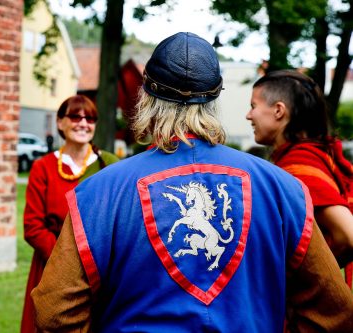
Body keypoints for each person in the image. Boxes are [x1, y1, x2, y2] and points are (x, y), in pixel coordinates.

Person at [31, 32, 353, 332]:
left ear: (146, 98)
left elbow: (55, 310)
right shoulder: (284, 189)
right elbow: (334, 309)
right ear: (214, 101)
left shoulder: (99, 191)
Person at [20, 95, 119, 333]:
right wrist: (66, 262)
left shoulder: (109, 165)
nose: (83, 123)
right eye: (75, 116)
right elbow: (32, 226)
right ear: (60, 122)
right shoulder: (43, 167)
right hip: (51, 265)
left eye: (90, 118)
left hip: (98, 270)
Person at [246, 69, 353, 288]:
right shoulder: (313, 155)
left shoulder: (300, 165)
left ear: (278, 110)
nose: (249, 115)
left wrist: (301, 281)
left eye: (254, 106)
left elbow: (348, 236)